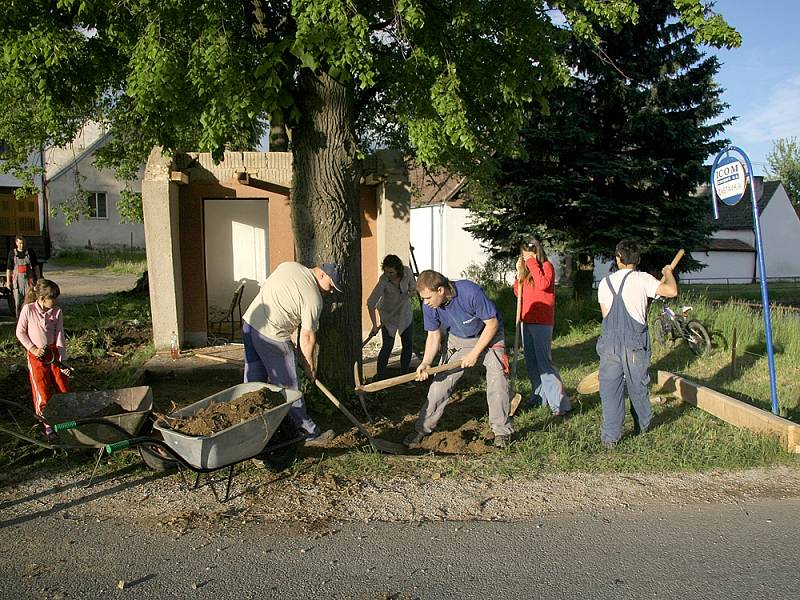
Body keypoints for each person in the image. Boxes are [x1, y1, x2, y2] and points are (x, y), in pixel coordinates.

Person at [405, 270, 513, 448]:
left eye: (427, 297)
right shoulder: (430, 306)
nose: (425, 302)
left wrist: (474, 353)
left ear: (440, 290)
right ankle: (421, 429)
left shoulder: (469, 292)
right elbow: (433, 335)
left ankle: (501, 431)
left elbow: (492, 323)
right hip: (458, 340)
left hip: (489, 337)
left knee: (497, 379)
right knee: (440, 385)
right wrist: (425, 363)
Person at [241, 261, 343, 446]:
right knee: (290, 387)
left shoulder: (290, 266)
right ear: (321, 274)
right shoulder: (314, 299)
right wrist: (309, 365)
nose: (330, 291)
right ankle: (308, 432)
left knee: (254, 383)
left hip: (250, 324)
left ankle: (249, 427)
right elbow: (308, 336)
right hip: (272, 336)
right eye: (331, 285)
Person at [596, 240, 678, 448]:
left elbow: (606, 315)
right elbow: (671, 291)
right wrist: (668, 271)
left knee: (610, 390)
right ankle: (643, 428)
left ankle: (610, 438)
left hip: (610, 343)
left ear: (617, 258)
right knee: (637, 387)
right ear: (638, 259)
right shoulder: (643, 279)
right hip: (634, 343)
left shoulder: (605, 283)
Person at [513, 237, 571, 416]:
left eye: (528, 254)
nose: (525, 258)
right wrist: (518, 275)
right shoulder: (527, 271)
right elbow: (518, 292)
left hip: (542, 322)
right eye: (523, 255)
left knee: (544, 363)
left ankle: (560, 404)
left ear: (535, 252)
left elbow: (543, 284)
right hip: (526, 320)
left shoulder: (546, 267)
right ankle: (538, 397)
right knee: (531, 363)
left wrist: (531, 262)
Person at [15, 279, 70, 420]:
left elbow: (60, 335)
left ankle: (67, 417)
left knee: (62, 385)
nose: (56, 301)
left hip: (54, 353)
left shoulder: (56, 311)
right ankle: (47, 423)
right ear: (42, 299)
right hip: (37, 356)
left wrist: (63, 360)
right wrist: (33, 349)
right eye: (53, 298)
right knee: (42, 388)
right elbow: (20, 332)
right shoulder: (29, 309)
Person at [366, 254, 416, 380]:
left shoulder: (407, 272)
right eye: (386, 271)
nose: (388, 274)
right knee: (387, 346)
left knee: (408, 344)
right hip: (388, 316)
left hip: (405, 313)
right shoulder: (383, 281)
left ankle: (404, 376)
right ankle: (380, 378)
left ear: (398, 270)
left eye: (391, 272)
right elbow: (371, 303)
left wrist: (412, 292)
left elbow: (414, 288)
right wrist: (374, 325)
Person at [6, 234, 40, 318]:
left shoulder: (30, 252)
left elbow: (36, 266)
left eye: (23, 243)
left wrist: (38, 279)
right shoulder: (12, 253)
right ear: (16, 243)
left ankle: (31, 319)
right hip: (17, 282)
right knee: (18, 303)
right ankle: (19, 321)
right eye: (20, 243)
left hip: (29, 281)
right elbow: (9, 269)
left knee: (30, 302)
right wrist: (8, 282)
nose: (22, 245)